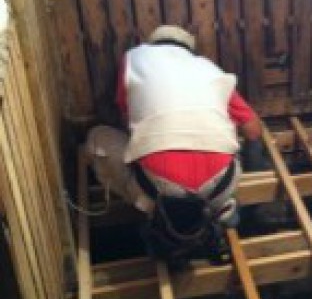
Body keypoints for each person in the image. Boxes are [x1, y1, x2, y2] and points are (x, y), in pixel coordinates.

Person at [86, 24, 262, 264]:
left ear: (153, 44)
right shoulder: (210, 70)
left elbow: (129, 122)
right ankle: (222, 209)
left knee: (96, 137)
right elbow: (253, 130)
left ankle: (152, 210)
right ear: (189, 49)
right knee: (231, 143)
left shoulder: (134, 59)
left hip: (157, 190)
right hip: (222, 183)